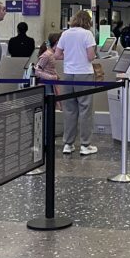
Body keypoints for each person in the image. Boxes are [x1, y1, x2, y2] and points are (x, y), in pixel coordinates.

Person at [54, 10, 98, 155]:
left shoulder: (65, 34)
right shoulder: (87, 34)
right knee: (85, 109)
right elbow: (91, 56)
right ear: (87, 22)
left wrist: (70, 56)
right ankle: (85, 145)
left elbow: (57, 55)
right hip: (84, 73)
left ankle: (68, 143)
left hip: (68, 74)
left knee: (69, 109)